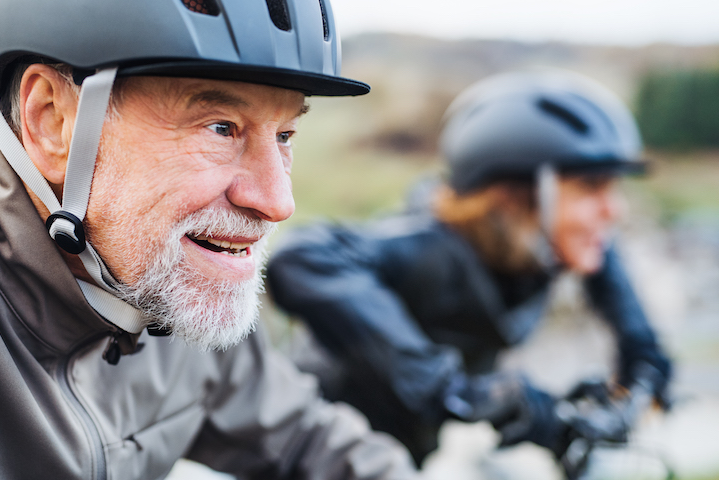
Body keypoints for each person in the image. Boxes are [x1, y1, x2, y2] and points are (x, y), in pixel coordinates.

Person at [0, 0, 421, 478]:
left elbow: (306, 440)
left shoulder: (167, 283)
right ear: (53, 120)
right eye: (220, 126)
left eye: (285, 134)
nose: (277, 202)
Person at [266, 70, 673, 465]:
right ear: (517, 196)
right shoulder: (432, 249)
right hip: (314, 451)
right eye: (590, 187)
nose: (612, 209)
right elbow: (302, 257)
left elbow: (636, 335)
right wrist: (457, 392)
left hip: (410, 452)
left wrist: (643, 378)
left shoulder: (555, 243)